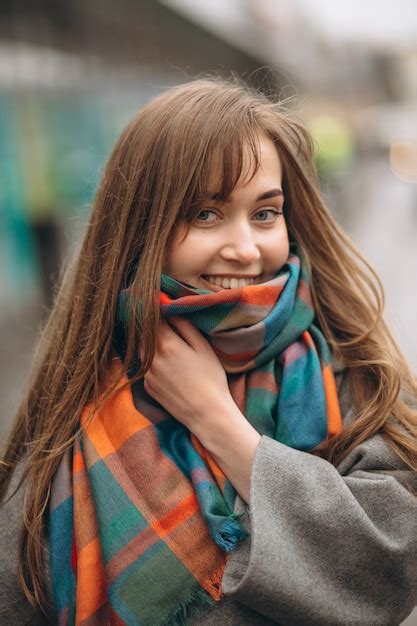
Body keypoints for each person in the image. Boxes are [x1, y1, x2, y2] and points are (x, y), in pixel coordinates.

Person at [1, 76, 416, 626]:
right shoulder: (76, 398)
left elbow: (391, 557)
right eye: (205, 214)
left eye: (265, 213)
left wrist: (215, 418)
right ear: (141, 227)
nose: (245, 250)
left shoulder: (352, 365)